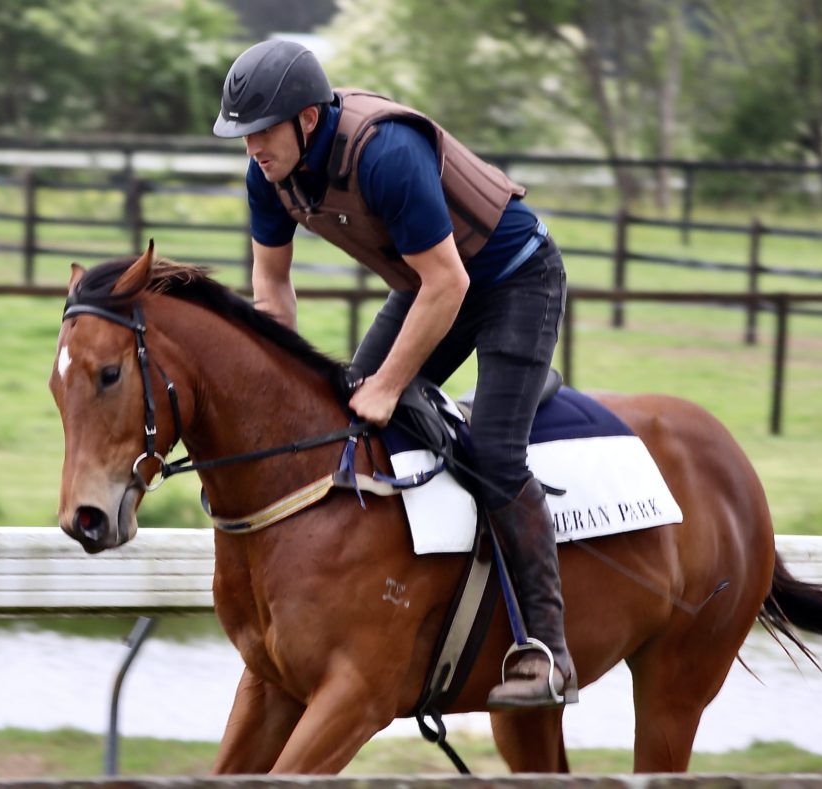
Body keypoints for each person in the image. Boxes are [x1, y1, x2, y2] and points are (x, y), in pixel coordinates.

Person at [213, 39, 575, 707]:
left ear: (310, 121)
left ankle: (545, 650)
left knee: (493, 452)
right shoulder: (267, 174)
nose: (253, 148)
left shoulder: (384, 152)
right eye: (242, 135)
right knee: (350, 411)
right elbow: (272, 292)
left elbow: (448, 283)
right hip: (434, 281)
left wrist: (385, 385)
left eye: (262, 131)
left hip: (514, 277)